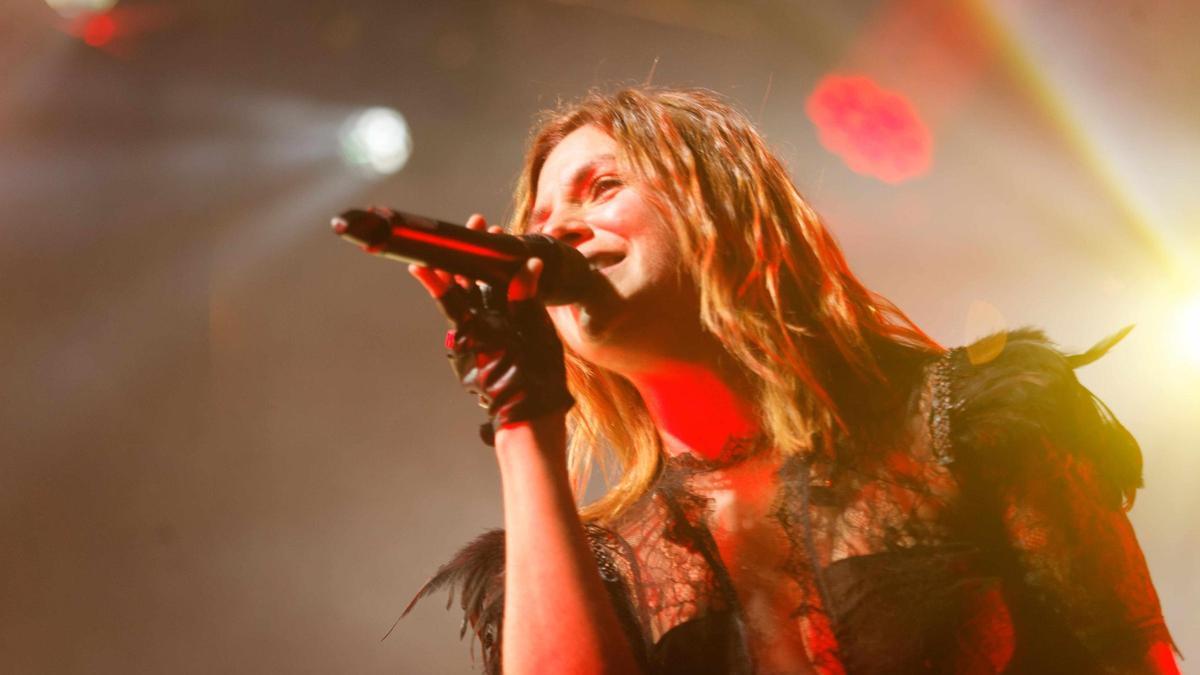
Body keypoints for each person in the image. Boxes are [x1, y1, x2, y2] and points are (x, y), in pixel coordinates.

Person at [402, 88, 1178, 674]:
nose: (555, 233)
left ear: (723, 203)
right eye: (539, 221)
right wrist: (523, 419)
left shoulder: (968, 419)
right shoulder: (585, 562)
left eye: (601, 187)